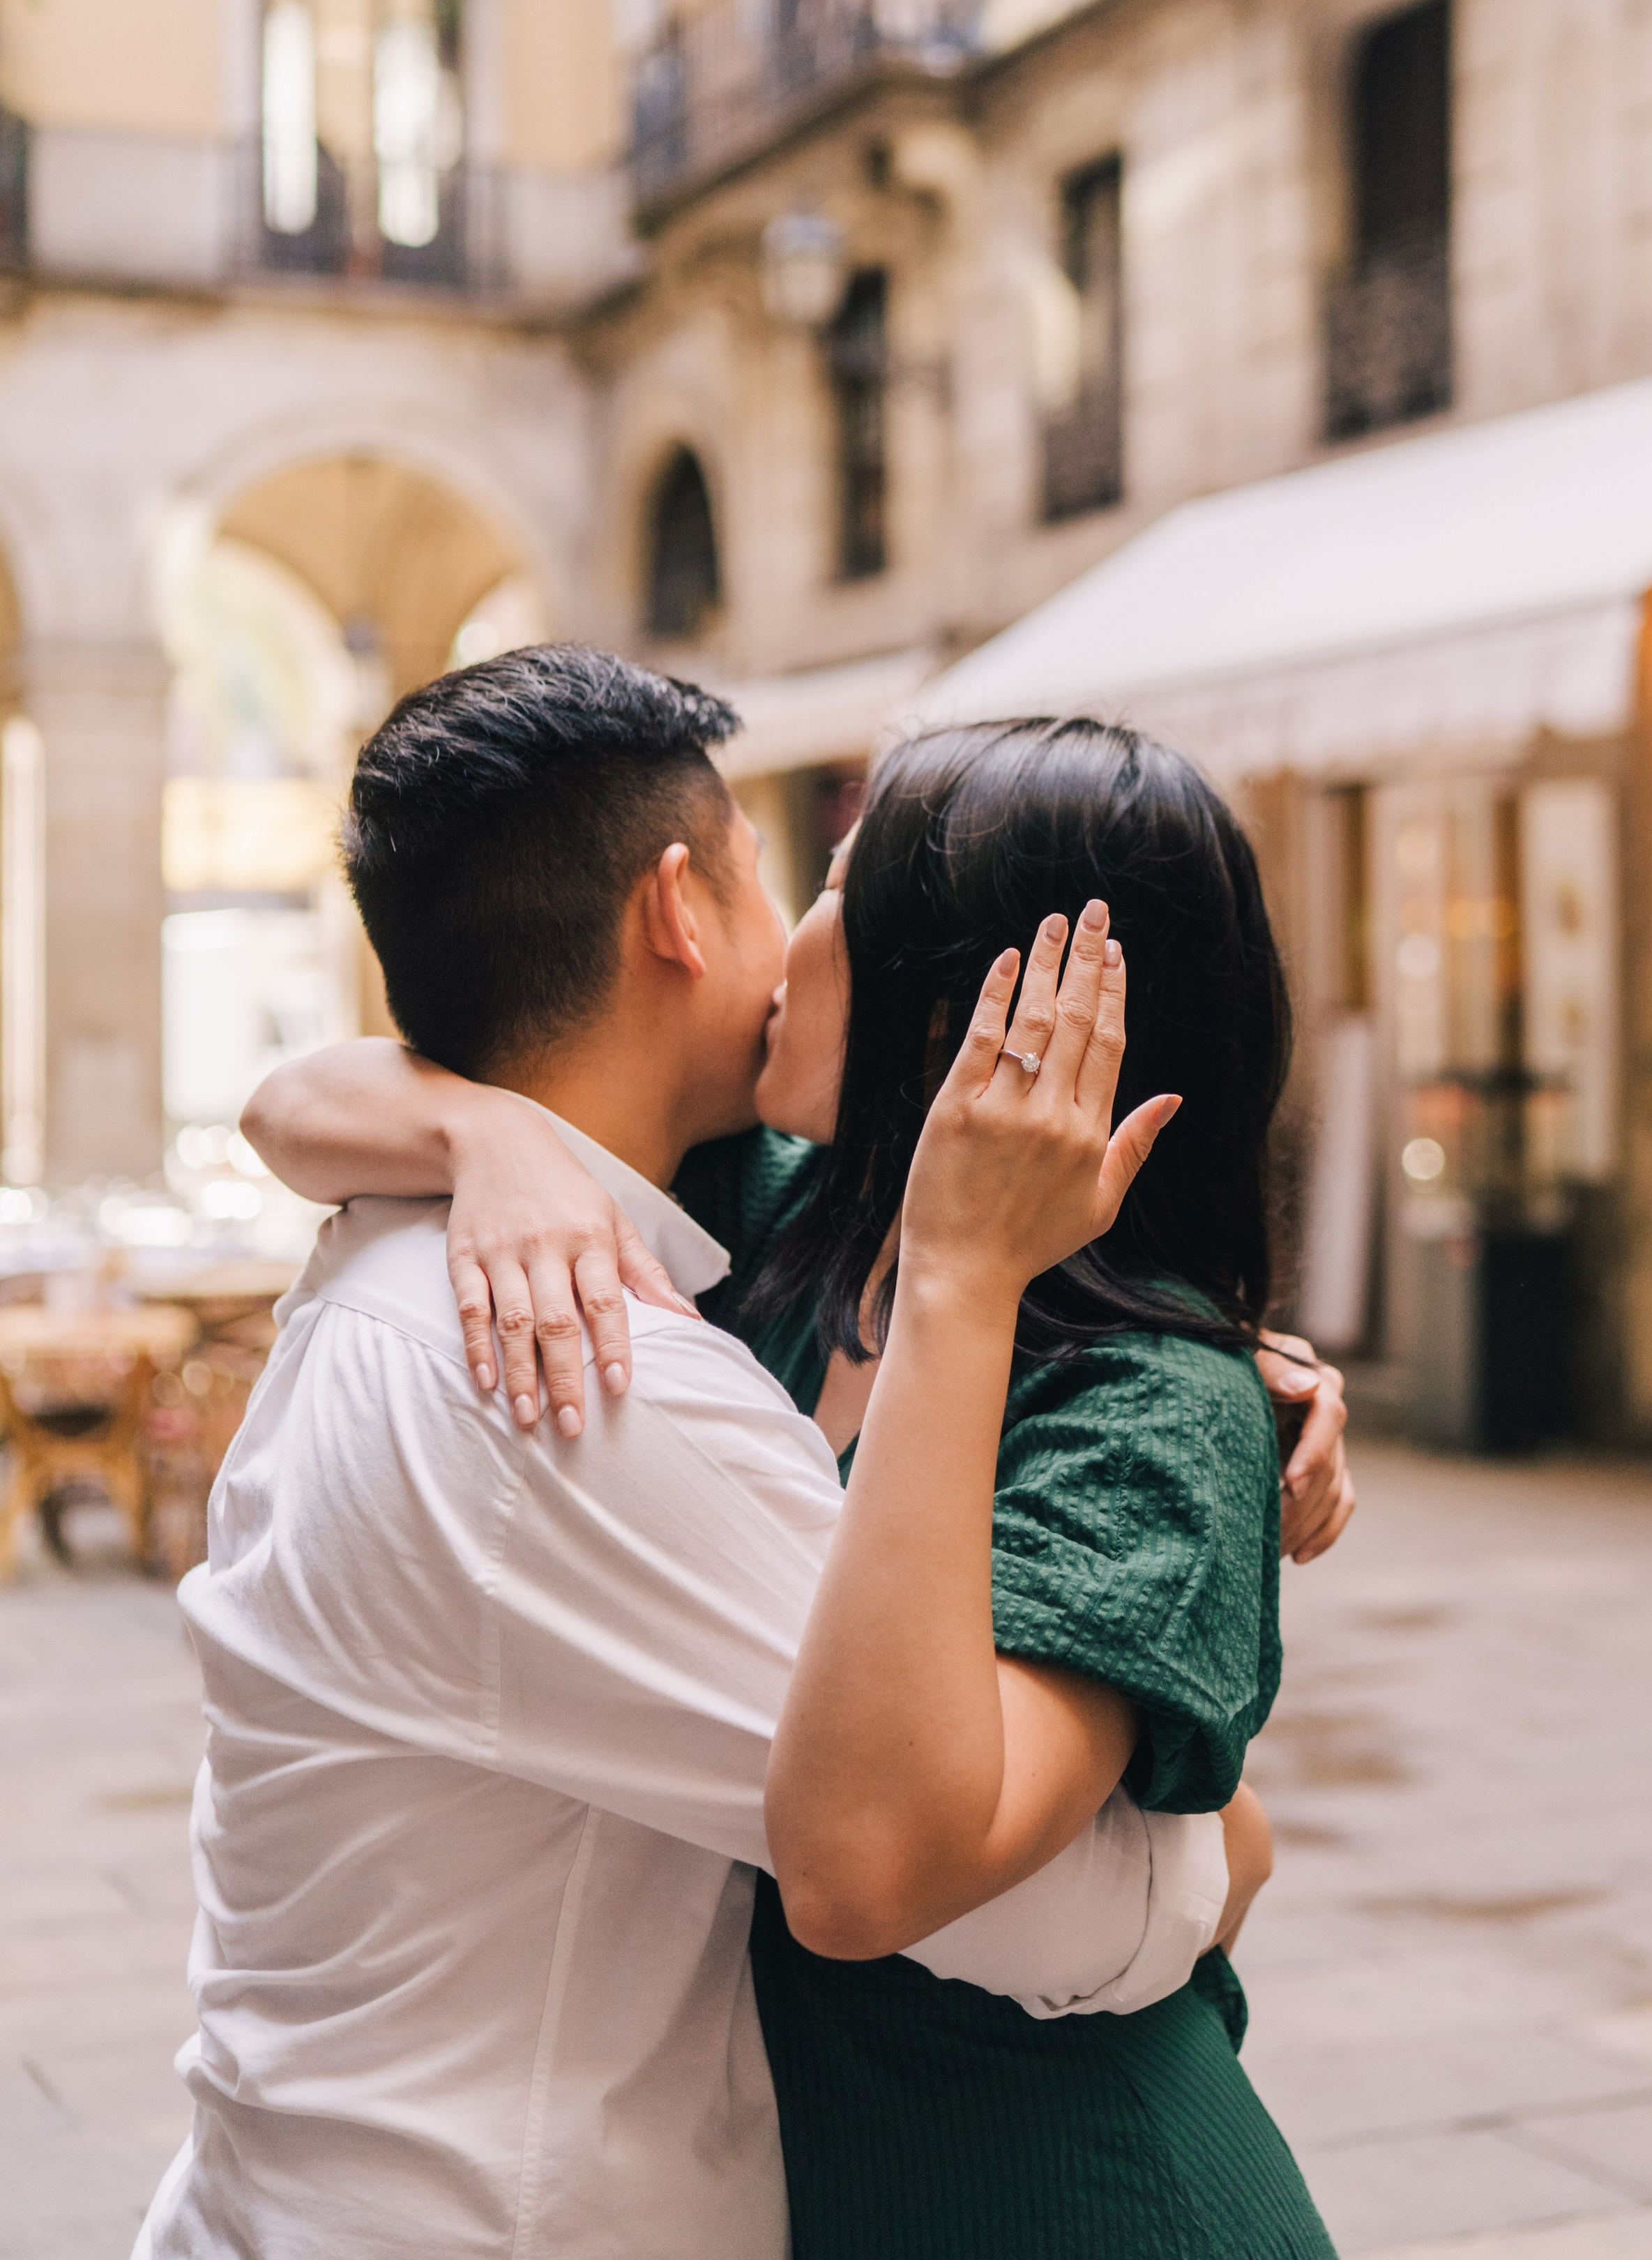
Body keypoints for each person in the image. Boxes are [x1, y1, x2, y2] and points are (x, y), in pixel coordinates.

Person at [139, 652, 1274, 2260]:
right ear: (679, 911)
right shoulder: (623, 1313)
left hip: (1078, 2191)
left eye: (840, 888)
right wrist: (1222, 1831)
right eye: (782, 873)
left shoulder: (574, 1254)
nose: (798, 930)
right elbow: (971, 1882)